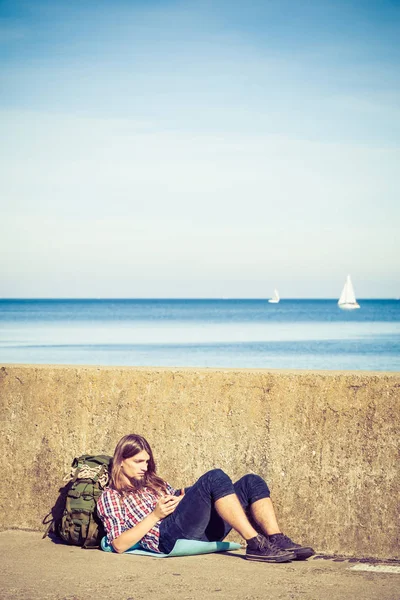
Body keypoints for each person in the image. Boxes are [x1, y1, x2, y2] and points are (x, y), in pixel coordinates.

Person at [97, 434, 314, 563]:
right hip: (166, 537)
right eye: (138, 462)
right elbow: (118, 544)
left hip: (195, 530)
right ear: (121, 462)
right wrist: (155, 516)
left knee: (251, 482)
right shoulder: (112, 496)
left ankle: (275, 538)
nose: (145, 467)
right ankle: (256, 543)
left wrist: (181, 499)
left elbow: (179, 501)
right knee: (214, 477)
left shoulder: (153, 482)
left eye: (147, 461)